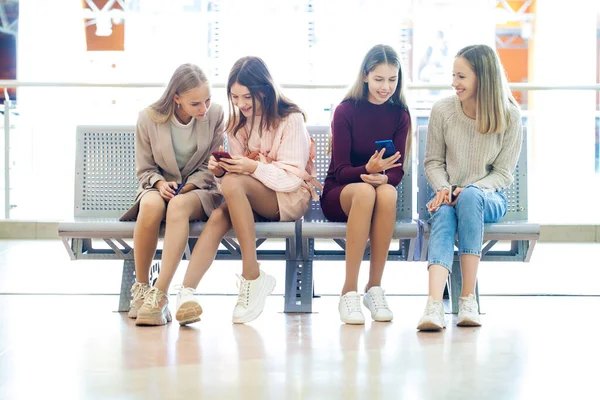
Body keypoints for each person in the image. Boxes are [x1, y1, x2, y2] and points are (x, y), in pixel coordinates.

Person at [172, 56, 317, 325]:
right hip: (249, 201)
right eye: (235, 97)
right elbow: (230, 185)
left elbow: (291, 179)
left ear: (265, 88)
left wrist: (251, 167)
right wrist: (220, 171)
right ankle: (186, 293)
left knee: (235, 182)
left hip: (287, 198)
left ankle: (252, 275)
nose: (241, 104)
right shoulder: (238, 125)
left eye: (247, 96)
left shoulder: (291, 118)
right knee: (218, 216)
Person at [417, 44, 522, 331]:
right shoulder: (443, 110)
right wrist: (445, 189)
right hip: (448, 195)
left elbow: (502, 173)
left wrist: (470, 189)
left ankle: (467, 300)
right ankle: (434, 305)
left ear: (482, 77)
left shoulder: (510, 116)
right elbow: (433, 163)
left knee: (470, 197)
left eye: (461, 76)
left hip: (488, 198)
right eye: (453, 75)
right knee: (446, 214)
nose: (454, 83)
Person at [119, 63, 225, 326]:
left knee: (177, 205)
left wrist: (186, 187)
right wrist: (158, 184)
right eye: (195, 103)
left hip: (198, 190)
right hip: (158, 186)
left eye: (207, 100)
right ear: (176, 98)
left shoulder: (217, 115)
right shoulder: (148, 118)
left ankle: (160, 295)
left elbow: (211, 166)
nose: (204, 109)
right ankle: (142, 287)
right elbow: (145, 169)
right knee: (152, 207)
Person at [320, 44, 412, 324]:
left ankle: (374, 287)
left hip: (375, 190)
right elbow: (341, 170)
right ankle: (348, 291)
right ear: (365, 77)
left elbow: (397, 173)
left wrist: (384, 177)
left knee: (386, 194)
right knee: (364, 191)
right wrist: (367, 170)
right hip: (342, 192)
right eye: (379, 80)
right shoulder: (345, 111)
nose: (386, 87)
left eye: (392, 80)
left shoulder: (400, 115)